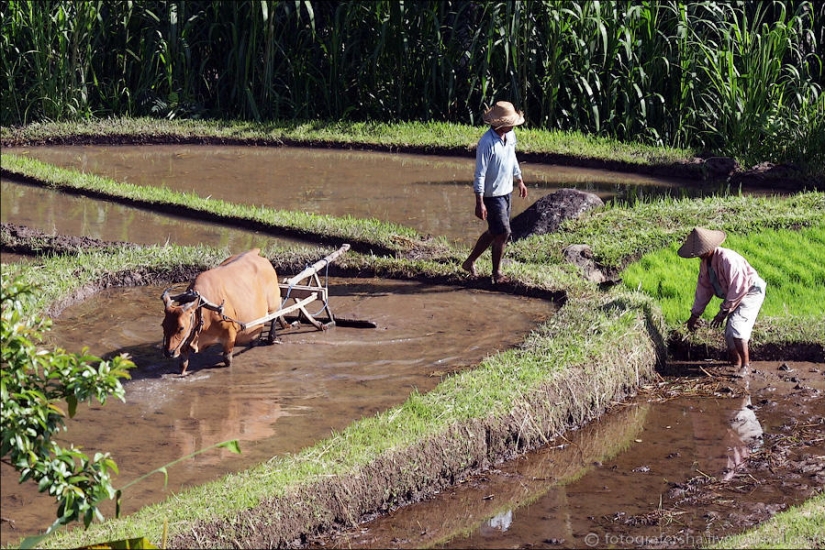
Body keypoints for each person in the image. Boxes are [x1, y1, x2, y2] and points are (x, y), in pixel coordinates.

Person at [678, 227, 767, 371]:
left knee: (736, 327)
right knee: (729, 334)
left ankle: (745, 366)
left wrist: (723, 312)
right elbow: (703, 290)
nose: (700, 255)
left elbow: (738, 287)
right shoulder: (706, 264)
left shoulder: (727, 259)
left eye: (702, 252)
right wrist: (694, 315)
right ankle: (736, 363)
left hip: (750, 291)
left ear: (710, 248)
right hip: (734, 295)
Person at [462, 101, 528, 284]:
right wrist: (479, 201)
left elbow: (512, 157)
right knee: (503, 233)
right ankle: (497, 273)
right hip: (492, 195)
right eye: (511, 122)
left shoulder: (510, 136)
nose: (514, 125)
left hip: (506, 191)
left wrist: (519, 180)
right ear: (500, 124)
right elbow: (480, 173)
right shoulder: (487, 143)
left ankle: (469, 262)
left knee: (494, 231)